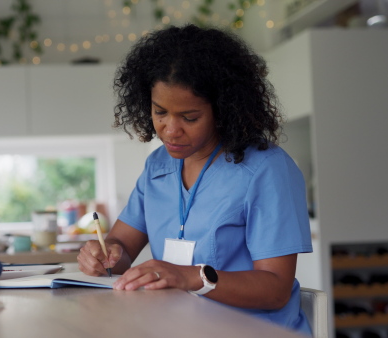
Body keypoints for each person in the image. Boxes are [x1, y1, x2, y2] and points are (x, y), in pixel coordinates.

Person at [77, 24, 313, 334]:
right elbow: (120, 248)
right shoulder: (157, 167)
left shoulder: (267, 170)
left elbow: (276, 289)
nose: (171, 130)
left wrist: (191, 276)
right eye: (159, 112)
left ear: (224, 110)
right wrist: (102, 254)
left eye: (190, 118)